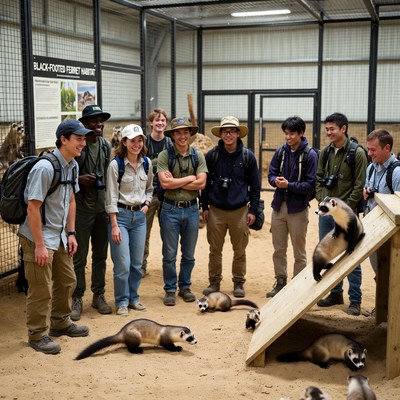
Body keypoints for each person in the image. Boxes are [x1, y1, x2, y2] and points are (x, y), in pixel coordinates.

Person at [18, 119, 91, 355]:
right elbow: (33, 208)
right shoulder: (45, 168)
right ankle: (37, 335)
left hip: (59, 235)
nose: (83, 142)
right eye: (78, 138)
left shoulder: (72, 165)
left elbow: (70, 200)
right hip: (38, 237)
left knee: (68, 280)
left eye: (84, 138)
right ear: (64, 140)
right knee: (41, 288)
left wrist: (71, 233)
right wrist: (39, 245)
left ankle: (60, 322)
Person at [200, 116, 261, 298]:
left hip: (240, 211)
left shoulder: (247, 156)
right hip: (216, 210)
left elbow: (255, 186)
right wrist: (204, 207)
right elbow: (206, 184)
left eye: (232, 131)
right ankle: (214, 282)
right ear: (220, 133)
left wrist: (253, 210)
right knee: (214, 249)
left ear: (237, 133)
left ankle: (238, 283)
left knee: (240, 250)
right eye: (225, 131)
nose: (228, 134)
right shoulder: (212, 155)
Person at [315, 112, 368, 316]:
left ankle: (355, 299)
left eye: (332, 129)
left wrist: (346, 209)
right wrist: (322, 201)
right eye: (326, 129)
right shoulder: (324, 153)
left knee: (351, 255)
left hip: (347, 217)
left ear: (343, 129)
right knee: (328, 252)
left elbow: (359, 184)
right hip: (327, 215)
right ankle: (335, 293)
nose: (328, 132)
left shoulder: (357, 153)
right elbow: (319, 178)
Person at [157, 117, 207, 306]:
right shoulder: (165, 156)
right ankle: (170, 289)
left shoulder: (198, 156)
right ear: (172, 135)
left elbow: (201, 183)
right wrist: (189, 178)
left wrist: (177, 181)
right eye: (178, 132)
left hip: (192, 210)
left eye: (185, 132)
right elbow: (164, 183)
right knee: (169, 253)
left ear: (190, 134)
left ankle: (184, 286)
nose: (182, 136)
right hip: (170, 209)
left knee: (189, 253)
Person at [266, 116, 318, 297]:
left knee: (299, 250)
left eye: (292, 134)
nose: (288, 137)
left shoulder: (310, 155)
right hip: (279, 206)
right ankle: (280, 282)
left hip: (298, 209)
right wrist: (275, 181)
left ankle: (298, 286)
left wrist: (288, 185)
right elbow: (271, 174)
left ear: (301, 133)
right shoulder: (281, 152)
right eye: (286, 134)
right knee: (279, 248)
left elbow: (311, 185)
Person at [105, 124, 154, 316]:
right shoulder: (115, 165)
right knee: (122, 264)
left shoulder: (147, 163)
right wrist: (115, 225)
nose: (137, 144)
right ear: (124, 142)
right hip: (121, 218)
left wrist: (147, 204)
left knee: (136, 263)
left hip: (139, 218)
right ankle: (122, 301)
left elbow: (150, 188)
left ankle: (134, 298)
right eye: (132, 140)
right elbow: (111, 197)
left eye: (140, 140)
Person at [71, 105, 112, 321]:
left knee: (100, 255)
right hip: (81, 210)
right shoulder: (80, 146)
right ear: (85, 124)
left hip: (101, 208)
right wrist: (80, 179)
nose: (98, 125)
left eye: (101, 121)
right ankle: (76, 297)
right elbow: (67, 174)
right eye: (94, 121)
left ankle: (99, 294)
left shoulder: (105, 146)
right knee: (79, 256)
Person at [364, 129, 400, 279]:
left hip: (390, 234)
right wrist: (366, 192)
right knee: (380, 272)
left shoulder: (397, 172)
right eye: (368, 149)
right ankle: (383, 302)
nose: (369, 153)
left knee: (393, 275)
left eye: (373, 150)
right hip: (372, 228)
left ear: (387, 148)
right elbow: (367, 188)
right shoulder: (371, 168)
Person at [142, 108, 171, 276]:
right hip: (148, 193)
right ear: (151, 123)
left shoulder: (170, 143)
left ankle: (168, 265)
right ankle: (141, 265)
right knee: (143, 232)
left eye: (163, 121)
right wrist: (159, 163)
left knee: (168, 232)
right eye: (157, 120)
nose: (160, 123)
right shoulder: (144, 142)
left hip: (167, 194)